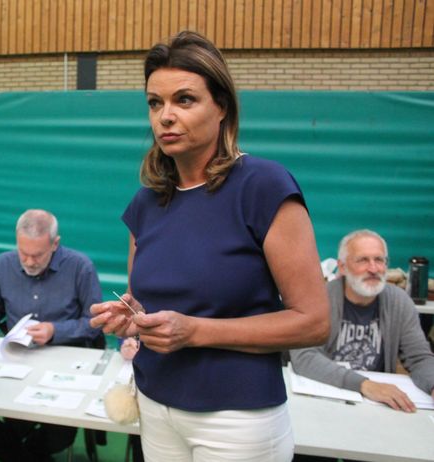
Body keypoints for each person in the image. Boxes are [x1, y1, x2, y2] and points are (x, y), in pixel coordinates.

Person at [89, 31, 330, 462]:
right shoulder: (145, 203)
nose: (165, 116)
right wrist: (131, 317)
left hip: (237, 417)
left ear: (221, 107)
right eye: (155, 102)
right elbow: (149, 305)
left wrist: (197, 331)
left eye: (184, 100)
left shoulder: (264, 187)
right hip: (155, 403)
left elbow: (312, 322)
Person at [0, 209, 103, 461]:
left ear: (55, 244)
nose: (29, 261)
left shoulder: (80, 267)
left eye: (37, 255)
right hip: (15, 359)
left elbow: (95, 323)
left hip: (65, 360)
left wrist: (55, 330)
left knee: (59, 433)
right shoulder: (4, 263)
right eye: (23, 252)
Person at [290, 229, 434, 411]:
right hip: (327, 397)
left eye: (379, 260)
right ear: (342, 267)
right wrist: (365, 385)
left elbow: (419, 358)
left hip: (377, 404)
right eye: (363, 260)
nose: (373, 269)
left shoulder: (399, 301)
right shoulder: (318, 299)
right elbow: (304, 357)